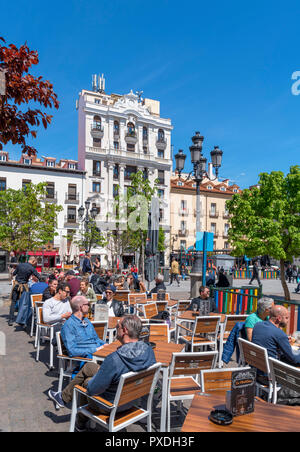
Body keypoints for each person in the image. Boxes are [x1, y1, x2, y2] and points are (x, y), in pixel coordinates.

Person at [48, 314, 156, 432]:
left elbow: (92, 390)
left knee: (86, 382)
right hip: (133, 399)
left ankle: (80, 422)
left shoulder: (115, 359)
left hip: (111, 405)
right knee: (89, 367)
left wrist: (97, 378)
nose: (115, 328)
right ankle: (63, 398)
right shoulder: (149, 351)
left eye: (117, 326)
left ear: (124, 330)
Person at [252, 305, 300, 404]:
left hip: (257, 371)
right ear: (278, 318)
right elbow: (294, 359)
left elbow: (268, 343)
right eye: (286, 318)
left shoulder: (258, 325)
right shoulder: (279, 333)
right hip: (270, 376)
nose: (287, 320)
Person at [8, 256, 41, 326]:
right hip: (24, 286)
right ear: (33, 261)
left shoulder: (20, 265)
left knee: (13, 302)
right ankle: (21, 319)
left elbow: (13, 274)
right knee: (23, 303)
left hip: (16, 285)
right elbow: (38, 276)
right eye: (36, 263)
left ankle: (10, 320)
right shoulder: (32, 268)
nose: (36, 264)